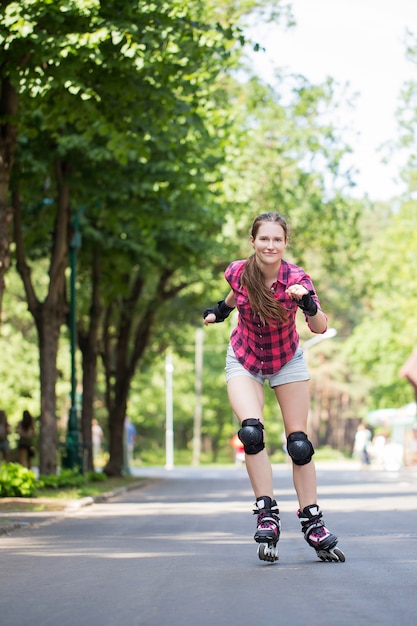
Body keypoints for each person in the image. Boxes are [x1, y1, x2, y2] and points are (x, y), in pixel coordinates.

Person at [203, 212, 345, 563]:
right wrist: (220, 311)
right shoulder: (237, 271)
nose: (270, 245)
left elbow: (321, 326)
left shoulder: (297, 279)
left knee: (299, 444)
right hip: (245, 357)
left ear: (285, 243)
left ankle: (312, 519)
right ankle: (266, 512)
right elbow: (236, 296)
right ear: (253, 241)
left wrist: (307, 303)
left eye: (277, 239)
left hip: (286, 360)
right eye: (263, 238)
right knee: (251, 434)